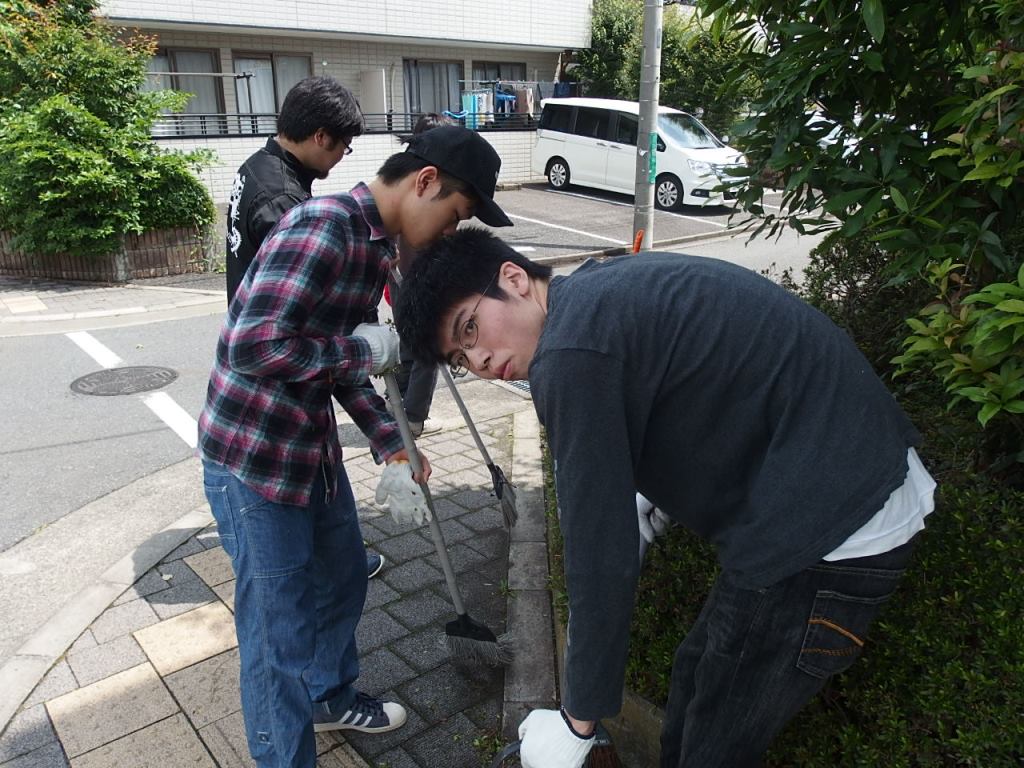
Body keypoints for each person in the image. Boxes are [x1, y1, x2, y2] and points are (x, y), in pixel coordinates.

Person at [394, 229, 936, 768]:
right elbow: (705, 388)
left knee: (711, 742)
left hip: (832, 526)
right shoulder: (595, 294)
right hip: (839, 485)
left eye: (470, 328)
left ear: (513, 278)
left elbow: (597, 553)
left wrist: (577, 721)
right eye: (460, 357)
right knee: (697, 674)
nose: (480, 359)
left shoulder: (570, 352)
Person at [198, 128, 512, 768]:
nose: (451, 232)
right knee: (277, 634)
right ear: (425, 182)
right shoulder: (321, 229)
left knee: (343, 577)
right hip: (254, 463)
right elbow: (254, 347)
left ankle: (327, 697)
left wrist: (392, 442)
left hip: (308, 450)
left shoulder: (374, 248)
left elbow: (336, 366)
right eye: (455, 215)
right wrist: (363, 351)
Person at [224, 75, 386, 578]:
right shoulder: (284, 202)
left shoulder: (258, 168)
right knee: (282, 576)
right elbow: (305, 328)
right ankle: (319, 566)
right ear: (320, 136)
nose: (341, 158)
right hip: (272, 379)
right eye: (342, 146)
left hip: (257, 346)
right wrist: (361, 349)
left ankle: (335, 562)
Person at [385, 112, 456, 437]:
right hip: (417, 277)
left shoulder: (403, 173)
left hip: (401, 275)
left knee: (411, 345)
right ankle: (412, 416)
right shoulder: (428, 182)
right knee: (428, 347)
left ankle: (397, 405)